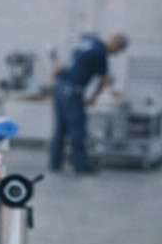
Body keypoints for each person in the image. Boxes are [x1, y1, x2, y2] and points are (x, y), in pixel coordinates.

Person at [50, 31, 127, 173]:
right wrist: (93, 98)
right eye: (116, 51)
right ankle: (81, 166)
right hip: (72, 91)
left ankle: (55, 163)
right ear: (114, 44)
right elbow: (104, 78)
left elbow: (69, 59)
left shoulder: (89, 43)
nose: (114, 54)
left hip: (60, 86)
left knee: (60, 128)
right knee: (78, 129)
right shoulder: (100, 52)